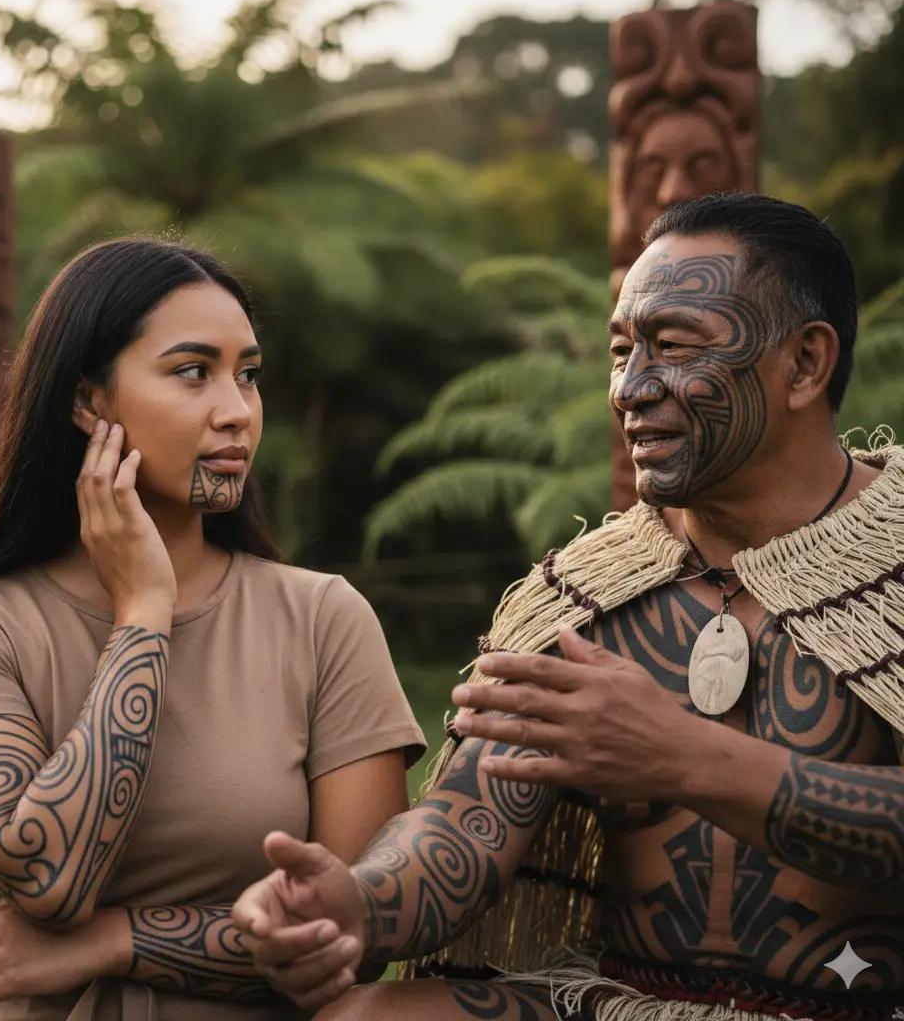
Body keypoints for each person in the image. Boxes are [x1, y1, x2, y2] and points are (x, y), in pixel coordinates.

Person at [229, 193, 904, 1021]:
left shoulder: (893, 565)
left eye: (674, 347)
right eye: (621, 352)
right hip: (620, 1003)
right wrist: (353, 903)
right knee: (358, 1016)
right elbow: (460, 833)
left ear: (805, 365)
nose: (629, 389)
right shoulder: (587, 592)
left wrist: (686, 757)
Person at [0, 237, 426, 1021]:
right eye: (192, 372)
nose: (237, 411)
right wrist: (143, 612)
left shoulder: (321, 619)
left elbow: (349, 939)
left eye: (248, 374)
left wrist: (110, 943)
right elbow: (48, 877)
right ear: (87, 400)